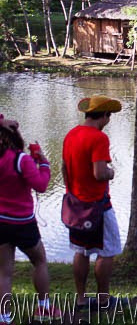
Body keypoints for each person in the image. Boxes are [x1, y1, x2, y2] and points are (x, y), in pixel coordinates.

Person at [61, 95, 123, 309]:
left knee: (81, 251)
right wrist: (111, 172)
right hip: (98, 205)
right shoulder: (99, 138)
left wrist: (70, 192)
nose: (109, 121)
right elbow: (99, 173)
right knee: (108, 251)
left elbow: (64, 167)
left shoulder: (71, 134)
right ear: (104, 116)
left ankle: (81, 299)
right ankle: (104, 300)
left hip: (75, 204)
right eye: (109, 116)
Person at [0, 122, 62, 323]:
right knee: (40, 261)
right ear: (16, 137)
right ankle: (44, 307)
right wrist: (43, 163)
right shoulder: (22, 159)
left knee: (4, 272)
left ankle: (4, 317)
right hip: (23, 223)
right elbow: (41, 185)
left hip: (1, 222)